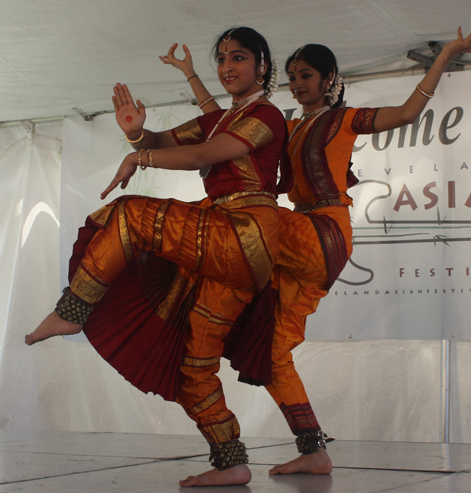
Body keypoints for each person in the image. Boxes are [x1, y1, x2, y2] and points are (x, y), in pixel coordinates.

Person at [162, 23, 471, 476]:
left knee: (235, 217)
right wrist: (191, 75)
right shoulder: (286, 123)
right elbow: (223, 118)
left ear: (328, 79)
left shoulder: (344, 118)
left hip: (323, 230)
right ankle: (314, 450)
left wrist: (446, 55)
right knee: (275, 352)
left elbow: (407, 113)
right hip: (293, 240)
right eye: (294, 76)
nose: (299, 85)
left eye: (308, 77)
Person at [25, 26, 292, 487]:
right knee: (194, 366)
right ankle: (230, 460)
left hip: (247, 232)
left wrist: (139, 160)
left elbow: (203, 155)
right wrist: (135, 135)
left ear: (262, 66)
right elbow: (164, 142)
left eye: (240, 58)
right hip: (227, 250)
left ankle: (73, 310)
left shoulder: (267, 114)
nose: (228, 66)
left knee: (129, 217)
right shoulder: (215, 118)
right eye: (223, 58)